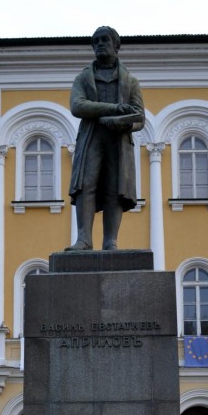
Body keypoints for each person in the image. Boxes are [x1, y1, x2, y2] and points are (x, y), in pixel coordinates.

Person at [66, 26, 144, 251]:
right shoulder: (83, 77)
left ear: (116, 45)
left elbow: (140, 118)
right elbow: (77, 106)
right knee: (86, 184)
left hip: (118, 140)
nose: (100, 44)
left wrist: (121, 121)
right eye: (96, 41)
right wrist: (114, 109)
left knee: (114, 187)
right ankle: (84, 239)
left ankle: (110, 241)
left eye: (105, 40)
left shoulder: (130, 81)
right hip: (92, 137)